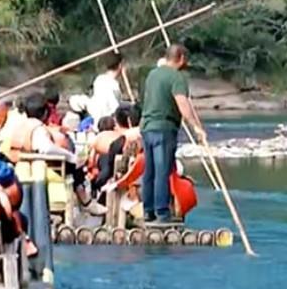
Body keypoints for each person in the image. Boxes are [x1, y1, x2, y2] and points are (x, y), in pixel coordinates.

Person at [140, 44, 205, 226]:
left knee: (150, 171)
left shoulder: (152, 74)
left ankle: (148, 211)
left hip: (147, 127)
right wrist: (196, 127)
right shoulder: (177, 77)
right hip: (164, 128)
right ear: (181, 58)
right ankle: (162, 212)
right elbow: (183, 104)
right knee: (162, 170)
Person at [88, 53, 124, 122]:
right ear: (120, 66)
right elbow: (115, 107)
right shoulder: (113, 85)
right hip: (108, 122)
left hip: (97, 120)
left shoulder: (99, 80)